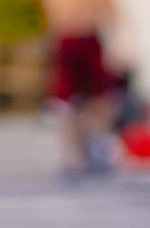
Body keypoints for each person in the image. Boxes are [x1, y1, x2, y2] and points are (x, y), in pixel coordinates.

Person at [42, 0, 123, 179]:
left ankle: (94, 146)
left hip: (88, 38)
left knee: (100, 99)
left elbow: (112, 14)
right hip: (67, 39)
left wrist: (116, 46)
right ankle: (70, 154)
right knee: (64, 103)